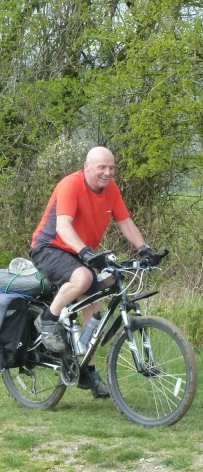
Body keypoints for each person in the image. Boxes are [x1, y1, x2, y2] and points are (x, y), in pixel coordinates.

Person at [29, 146, 161, 397]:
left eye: (111, 168)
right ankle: (47, 319)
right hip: (50, 247)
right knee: (84, 277)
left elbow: (125, 221)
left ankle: (88, 373)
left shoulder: (111, 190)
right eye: (102, 167)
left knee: (95, 308)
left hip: (79, 251)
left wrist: (144, 249)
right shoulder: (71, 184)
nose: (107, 172)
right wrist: (85, 252)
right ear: (87, 166)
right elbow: (63, 226)